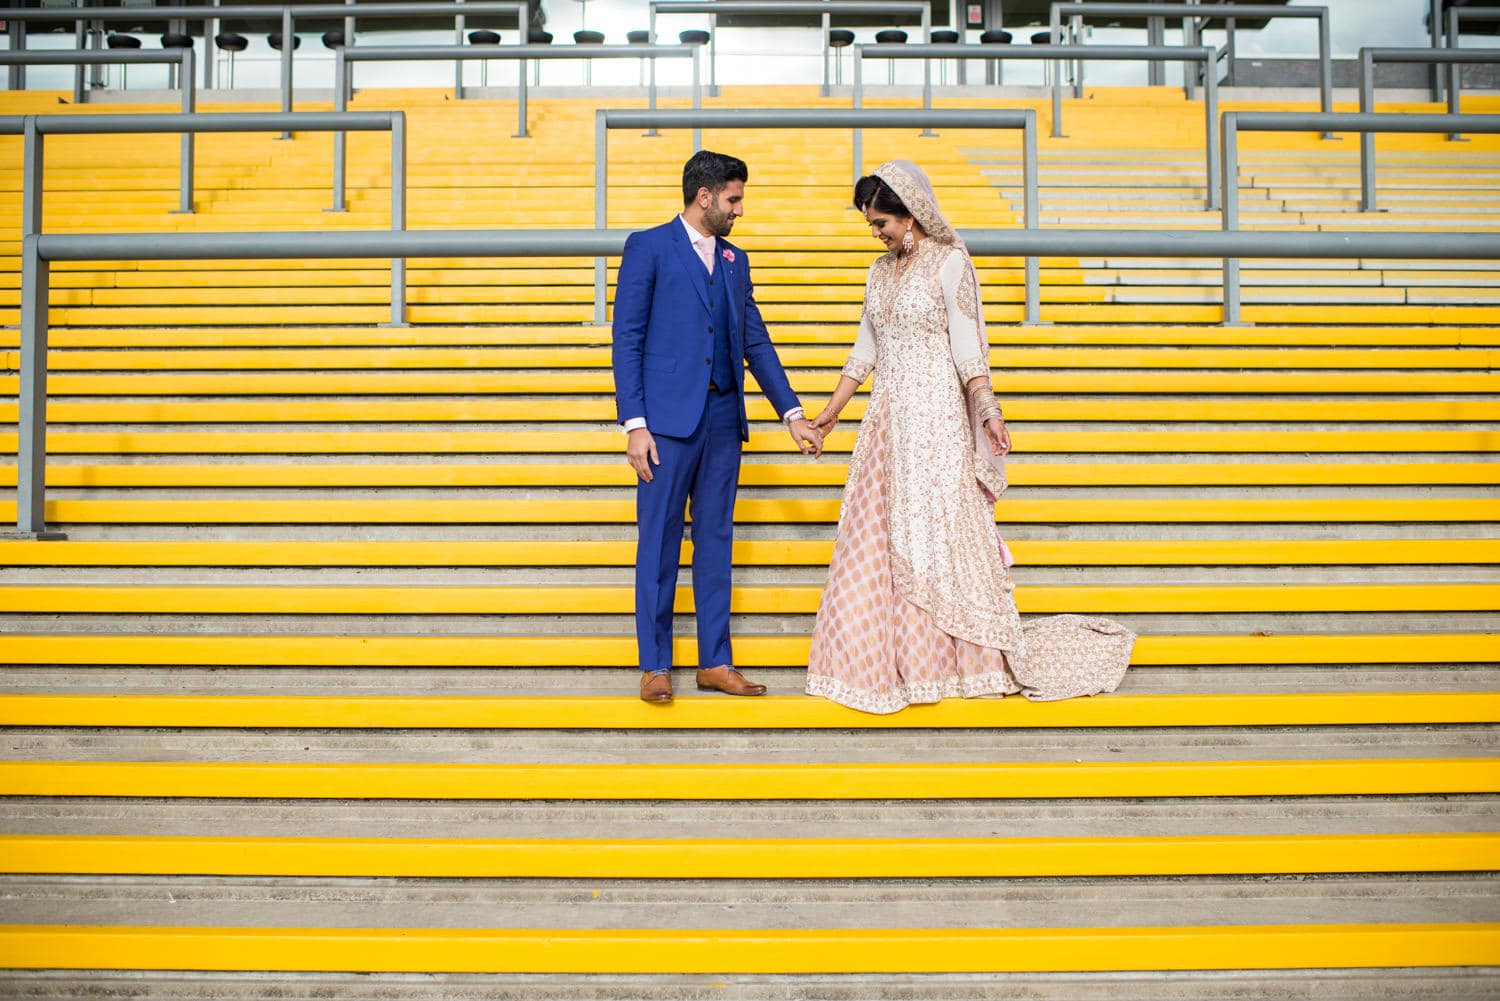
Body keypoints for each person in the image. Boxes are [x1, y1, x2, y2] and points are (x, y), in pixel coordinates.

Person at [804, 160, 1134, 714]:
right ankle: (882, 664)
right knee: (875, 536)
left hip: (936, 420)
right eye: (871, 226)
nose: (877, 233)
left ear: (910, 215)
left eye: (881, 222)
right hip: (888, 421)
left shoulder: (949, 262)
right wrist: (831, 414)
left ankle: (952, 662)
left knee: (935, 536)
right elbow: (865, 351)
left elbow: (966, 349)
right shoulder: (877, 273)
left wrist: (988, 411)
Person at [613, 149, 824, 704]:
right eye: (734, 199)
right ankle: (655, 664)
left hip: (724, 422)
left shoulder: (736, 260)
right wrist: (635, 423)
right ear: (704, 196)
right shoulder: (648, 247)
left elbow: (754, 339)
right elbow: (627, 338)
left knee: (715, 542)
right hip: (664, 425)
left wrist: (793, 413)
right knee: (657, 545)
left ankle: (716, 661)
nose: (740, 210)